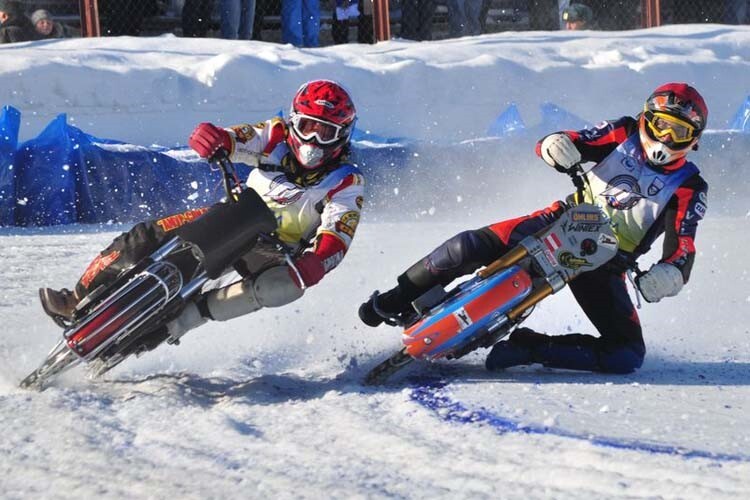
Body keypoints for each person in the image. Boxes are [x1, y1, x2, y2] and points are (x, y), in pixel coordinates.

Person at [359, 83, 709, 375]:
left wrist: (669, 274)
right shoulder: (622, 132)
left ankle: (531, 346)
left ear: (694, 141)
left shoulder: (689, 186)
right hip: (562, 220)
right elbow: (571, 139)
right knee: (467, 246)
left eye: (680, 132)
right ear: (645, 119)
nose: (666, 138)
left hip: (604, 261)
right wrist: (557, 146)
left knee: (627, 355)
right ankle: (394, 299)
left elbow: (683, 247)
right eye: (661, 125)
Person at [40, 80, 364, 346]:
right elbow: (237, 138)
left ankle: (187, 319)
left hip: (274, 251)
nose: (313, 140)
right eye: (308, 126)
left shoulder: (347, 180)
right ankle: (76, 298)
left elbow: (338, 234)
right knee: (145, 235)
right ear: (294, 121)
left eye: (326, 132)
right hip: (234, 216)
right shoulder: (274, 135)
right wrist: (212, 137)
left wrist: (316, 262)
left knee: (287, 286)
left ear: (344, 135)